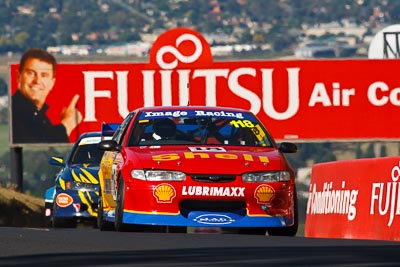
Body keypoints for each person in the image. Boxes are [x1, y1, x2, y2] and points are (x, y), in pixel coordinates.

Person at [11, 48, 82, 143]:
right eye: (31, 73)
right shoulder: (14, 112)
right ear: (18, 77)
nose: (37, 81)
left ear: (52, 83)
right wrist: (68, 123)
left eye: (44, 75)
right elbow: (36, 143)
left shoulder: (40, 116)